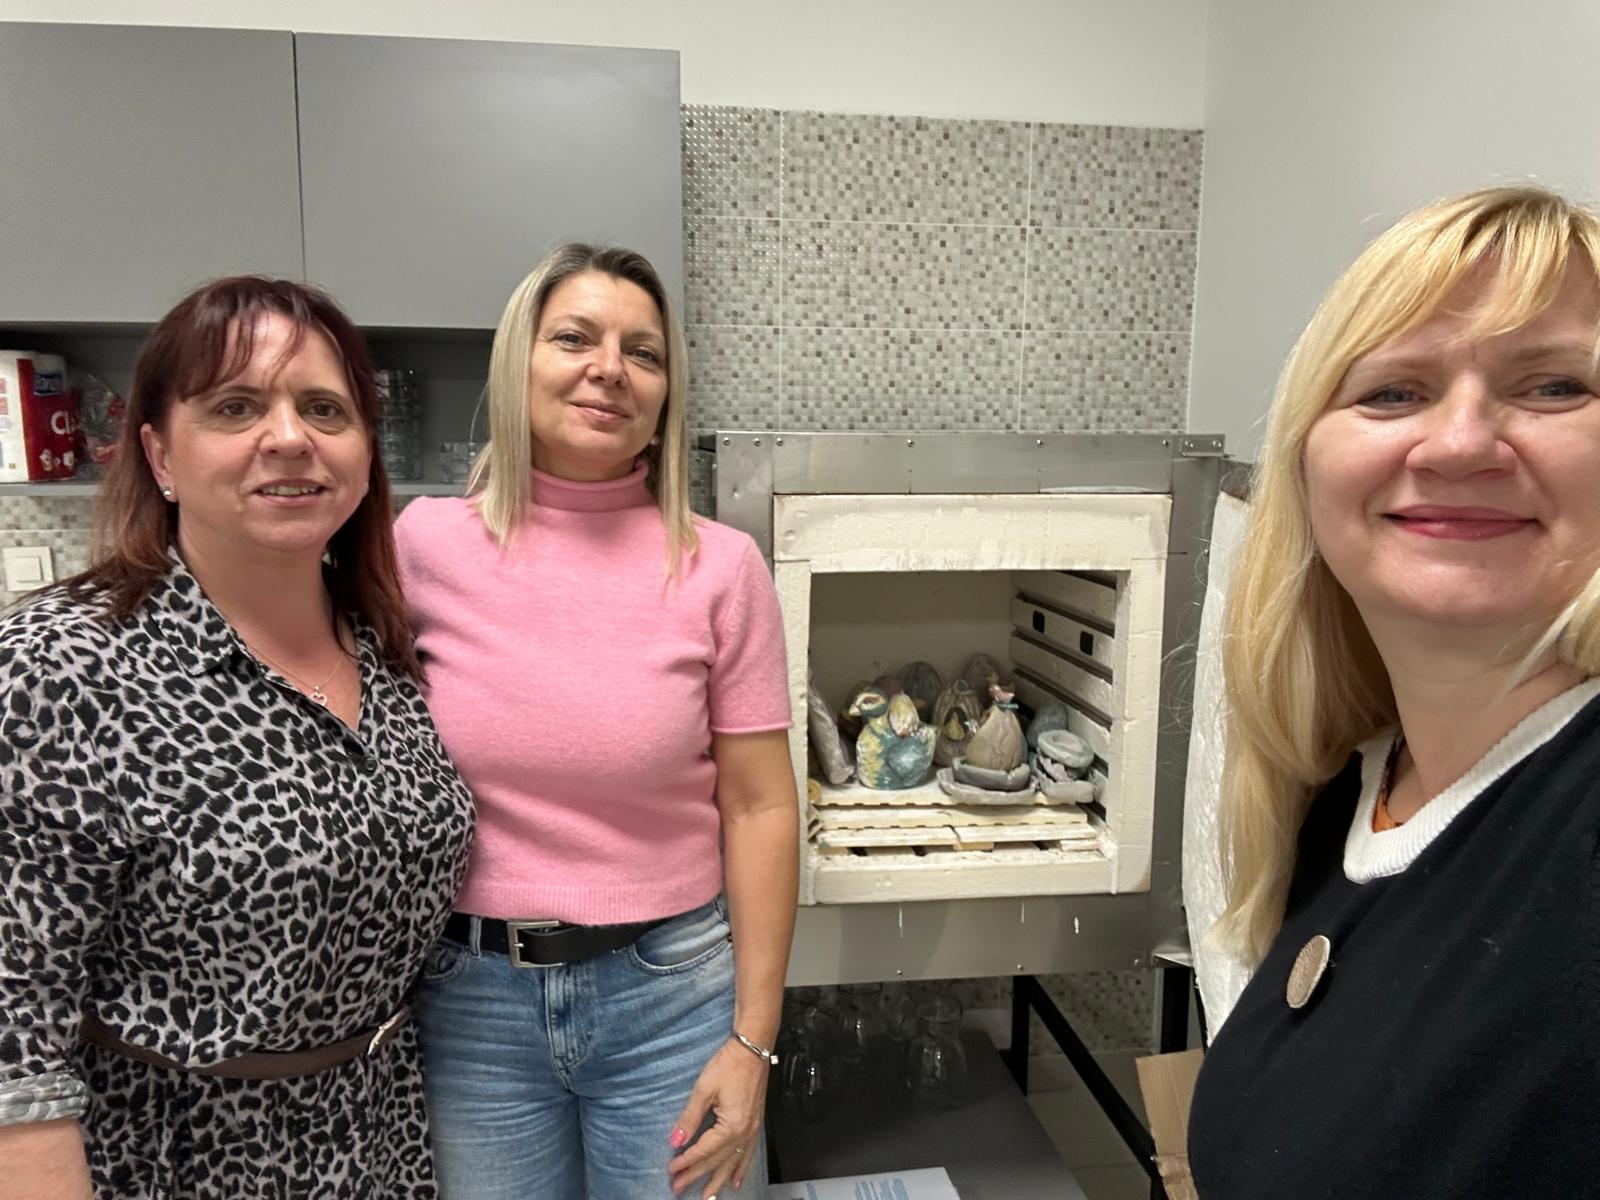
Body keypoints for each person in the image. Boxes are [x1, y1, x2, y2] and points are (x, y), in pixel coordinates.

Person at [0, 277, 476, 1199]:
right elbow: (13, 1032)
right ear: (160, 453)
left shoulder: (388, 647)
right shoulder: (61, 666)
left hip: (382, 1138)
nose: (290, 437)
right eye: (236, 407)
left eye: (324, 409)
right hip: (173, 1157)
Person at [1189, 186, 1600, 1196]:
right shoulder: (1351, 786)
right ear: (1307, 465)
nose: (1458, 444)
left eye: (1554, 386)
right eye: (1392, 393)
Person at [395, 244, 798, 1200]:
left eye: (642, 352)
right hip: (471, 1003)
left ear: (666, 392)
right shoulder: (419, 547)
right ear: (517, 362)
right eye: (574, 338)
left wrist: (754, 1041)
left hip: (672, 997)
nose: (609, 368)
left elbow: (760, 808)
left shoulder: (721, 567)